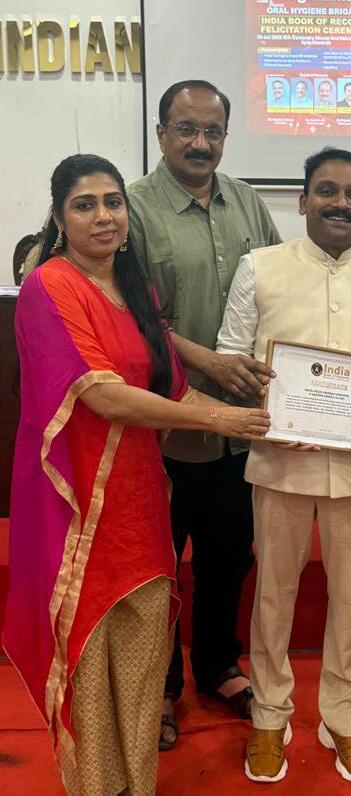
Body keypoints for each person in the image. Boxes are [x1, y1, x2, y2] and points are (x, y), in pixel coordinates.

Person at [2, 154, 270, 795]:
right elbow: (102, 394)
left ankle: (136, 786)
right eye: (85, 204)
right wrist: (225, 421)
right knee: (91, 659)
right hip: (80, 508)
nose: (104, 216)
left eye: (113, 202)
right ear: (59, 218)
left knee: (143, 655)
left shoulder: (135, 289)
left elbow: (171, 390)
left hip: (142, 501)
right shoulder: (50, 286)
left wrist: (275, 420)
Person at [217, 147, 351, 784]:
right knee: (273, 596)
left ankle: (346, 718)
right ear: (302, 200)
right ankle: (269, 714)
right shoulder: (260, 267)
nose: (341, 203)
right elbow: (231, 357)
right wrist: (271, 415)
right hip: (279, 463)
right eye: (327, 191)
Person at [128, 79, 281, 748]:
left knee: (228, 557)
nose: (200, 143)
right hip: (162, 428)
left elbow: (279, 289)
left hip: (239, 432)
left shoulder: (246, 201)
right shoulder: (131, 208)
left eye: (212, 131)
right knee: (157, 568)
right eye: (186, 129)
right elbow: (133, 316)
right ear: (161, 133)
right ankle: (158, 688)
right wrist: (210, 364)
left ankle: (218, 665)